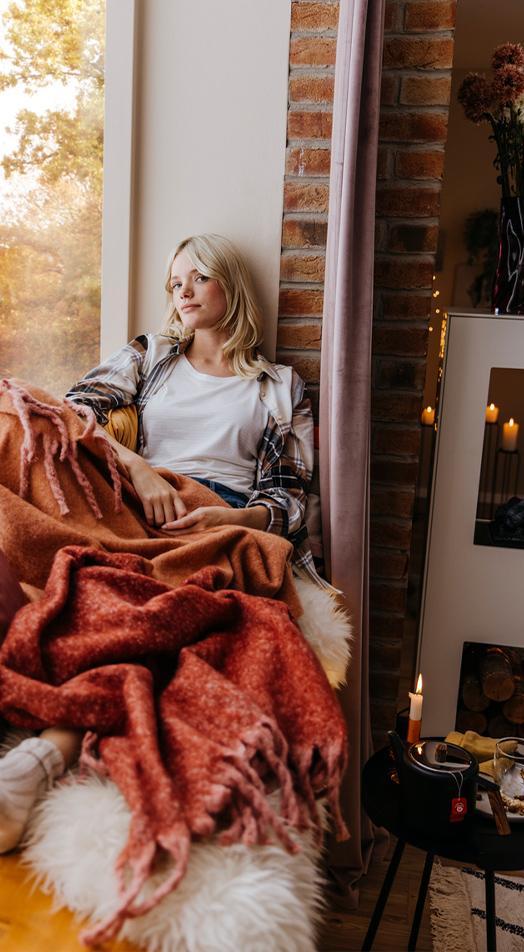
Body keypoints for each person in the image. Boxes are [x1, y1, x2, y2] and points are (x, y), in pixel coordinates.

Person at [0, 232, 320, 852]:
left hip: (218, 517)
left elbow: (290, 501)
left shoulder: (280, 385)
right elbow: (73, 415)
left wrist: (228, 523)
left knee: (161, 619)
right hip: (138, 499)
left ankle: (37, 761)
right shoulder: (152, 355)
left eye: (198, 278)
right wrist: (139, 469)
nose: (183, 292)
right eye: (176, 283)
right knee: (17, 407)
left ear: (230, 282)